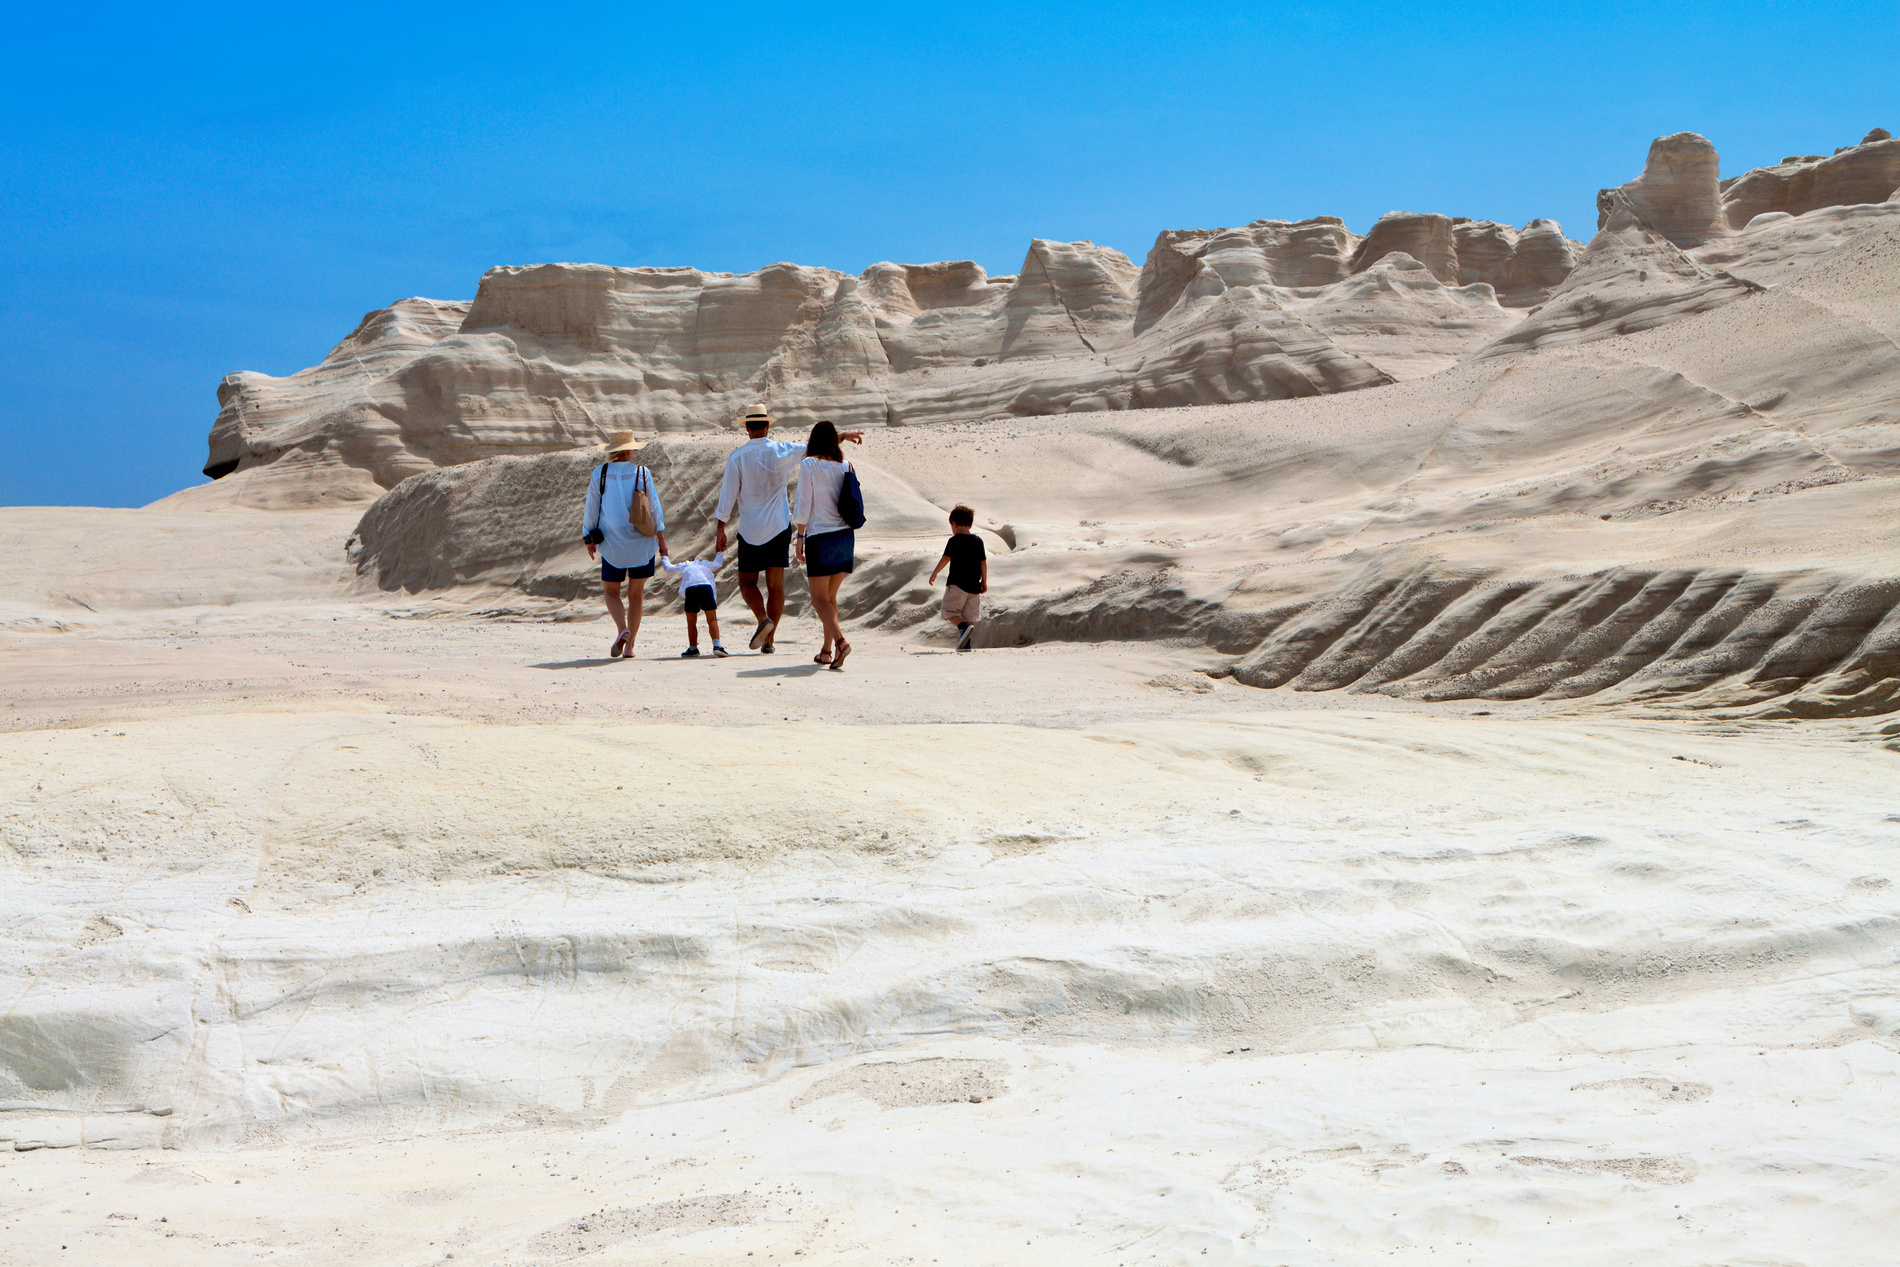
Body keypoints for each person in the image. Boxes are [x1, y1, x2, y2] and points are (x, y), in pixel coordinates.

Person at [713, 405, 862, 654]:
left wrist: (721, 527)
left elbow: (727, 495)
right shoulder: (783, 450)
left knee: (747, 582)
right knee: (776, 586)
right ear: (767, 426)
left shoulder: (737, 457)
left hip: (750, 529)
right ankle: (770, 641)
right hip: (779, 527)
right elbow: (816, 447)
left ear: (747, 428)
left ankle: (763, 619)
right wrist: (843, 436)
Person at [582, 431, 667, 659]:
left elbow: (592, 507)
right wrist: (661, 539)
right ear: (629, 450)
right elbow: (654, 507)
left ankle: (622, 629)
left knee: (611, 591)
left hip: (612, 543)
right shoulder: (642, 472)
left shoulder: (600, 473)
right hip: (641, 542)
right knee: (636, 594)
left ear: (612, 451)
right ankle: (630, 647)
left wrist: (588, 537)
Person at [792, 421, 858, 670]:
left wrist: (800, 536)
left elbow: (804, 502)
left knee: (818, 600)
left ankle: (841, 642)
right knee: (830, 598)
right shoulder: (846, 465)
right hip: (845, 537)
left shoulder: (809, 464)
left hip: (820, 537)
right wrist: (843, 436)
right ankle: (826, 651)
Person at [928, 504, 986, 652]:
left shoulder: (954, 541)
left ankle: (963, 627)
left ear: (954, 524)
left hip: (957, 583)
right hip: (974, 586)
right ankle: (966, 644)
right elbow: (983, 562)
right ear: (970, 524)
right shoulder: (978, 541)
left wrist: (935, 572)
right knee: (969, 615)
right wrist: (984, 581)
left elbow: (946, 558)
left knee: (948, 610)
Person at [659, 549, 728, 658]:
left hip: (691, 588)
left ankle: (693, 648)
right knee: (712, 619)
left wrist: (664, 556)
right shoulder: (705, 564)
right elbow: (718, 563)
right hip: (706, 587)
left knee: (691, 622)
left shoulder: (685, 565)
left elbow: (668, 568)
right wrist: (720, 551)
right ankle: (717, 646)